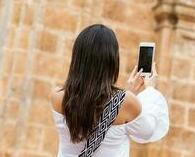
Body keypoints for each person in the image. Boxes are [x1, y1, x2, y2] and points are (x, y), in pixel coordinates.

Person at [50, 24, 169, 157]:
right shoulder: (127, 103)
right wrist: (149, 90)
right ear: (112, 61)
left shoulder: (57, 96)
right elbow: (149, 130)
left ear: (77, 57)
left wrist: (126, 96)